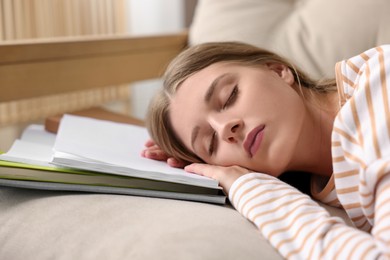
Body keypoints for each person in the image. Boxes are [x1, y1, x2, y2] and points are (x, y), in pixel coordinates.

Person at [142, 42, 390, 259]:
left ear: (278, 71)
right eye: (211, 143)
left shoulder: (377, 95)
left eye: (230, 96)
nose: (226, 128)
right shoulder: (327, 181)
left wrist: (246, 186)